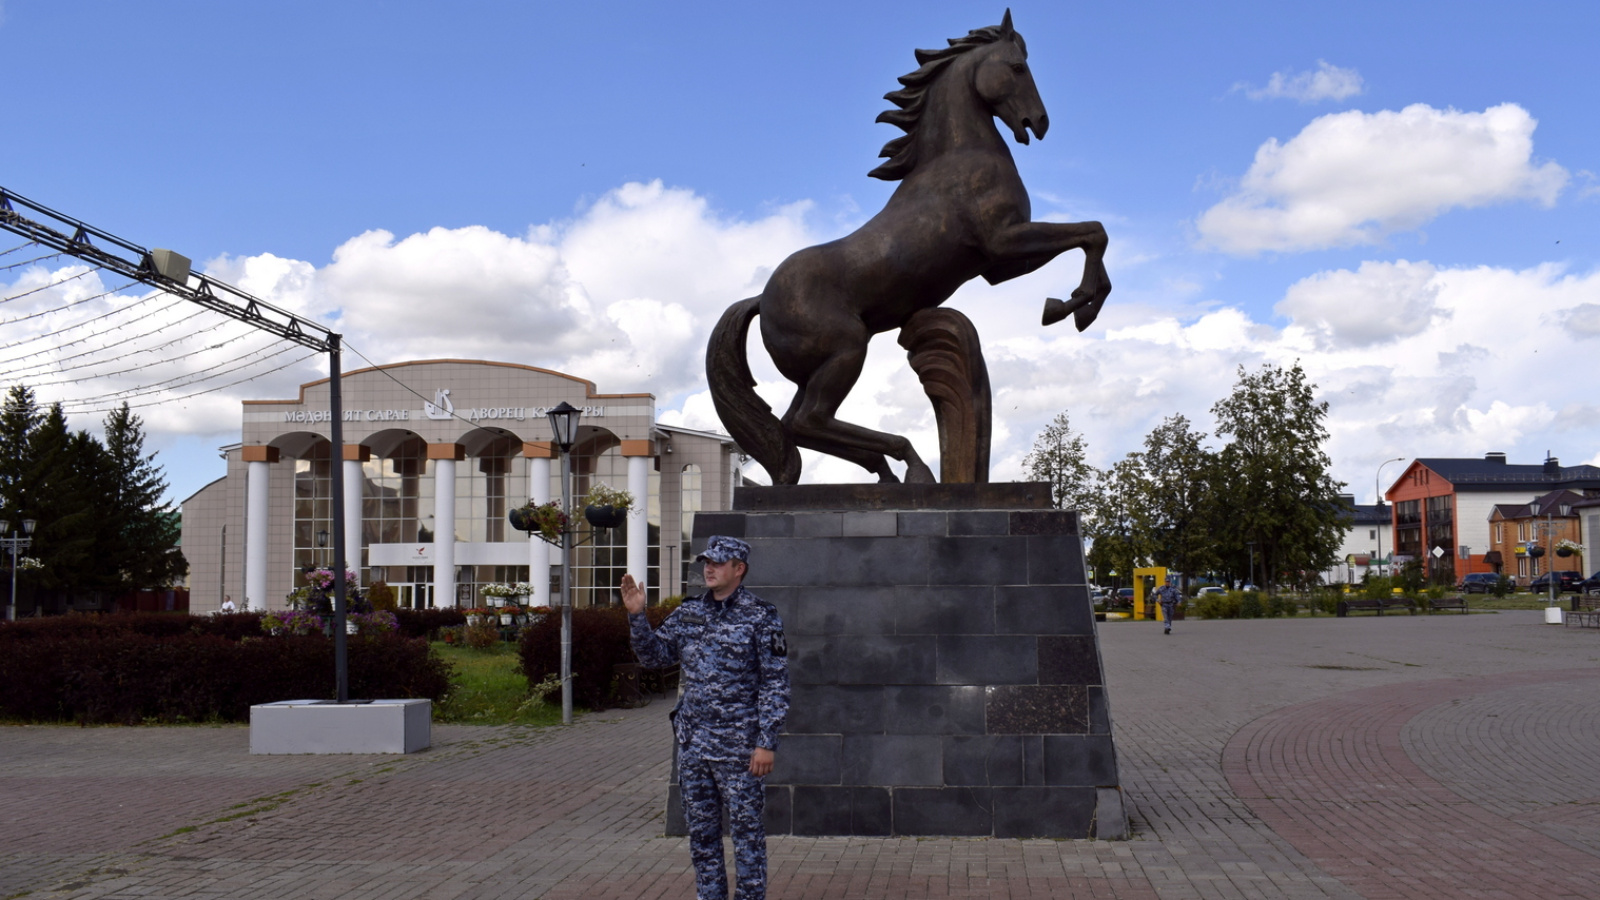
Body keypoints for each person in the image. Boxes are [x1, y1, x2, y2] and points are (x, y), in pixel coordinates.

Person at [621, 535, 790, 900]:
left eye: (717, 562)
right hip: (694, 746)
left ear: (738, 569)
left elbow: (775, 683)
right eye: (705, 562)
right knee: (702, 838)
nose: (708, 568)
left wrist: (766, 743)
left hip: (740, 750)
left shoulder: (761, 616)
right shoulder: (689, 613)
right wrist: (637, 616)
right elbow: (654, 657)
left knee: (747, 838)